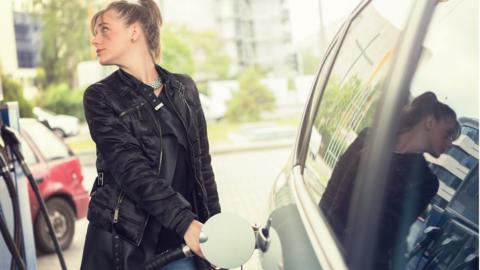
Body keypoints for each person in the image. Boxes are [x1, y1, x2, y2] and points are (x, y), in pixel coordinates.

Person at [80, 1, 220, 269]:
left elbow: (203, 169)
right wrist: (187, 224)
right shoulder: (100, 97)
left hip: (183, 242)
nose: (94, 39)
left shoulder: (183, 89)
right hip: (127, 243)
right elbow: (131, 170)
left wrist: (216, 229)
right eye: (95, 32)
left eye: (104, 30)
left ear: (134, 32)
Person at [319, 91, 460, 269]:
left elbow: (384, 238)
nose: (449, 144)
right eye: (448, 134)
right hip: (321, 240)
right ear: (430, 122)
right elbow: (331, 193)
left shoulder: (426, 182)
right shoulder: (369, 138)